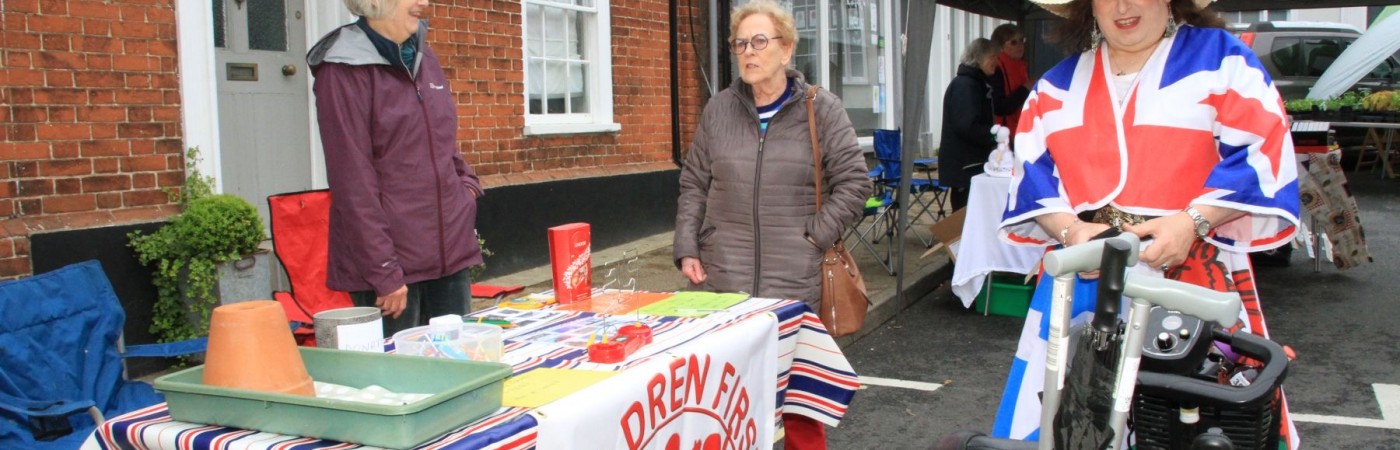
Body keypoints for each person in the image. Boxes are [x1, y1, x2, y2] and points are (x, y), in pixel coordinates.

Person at [993, 0, 1301, 448]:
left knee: (1195, 424)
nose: (1122, 6)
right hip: (1081, 282)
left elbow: (1262, 152)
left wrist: (1194, 221)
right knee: (1063, 422)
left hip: (1190, 272)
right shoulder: (1056, 85)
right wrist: (1070, 231)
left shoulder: (1222, 61)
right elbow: (1032, 180)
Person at [672, 1, 870, 448]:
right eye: (740, 43)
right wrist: (689, 245)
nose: (748, 52)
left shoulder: (823, 110)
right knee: (724, 403)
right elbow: (694, 183)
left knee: (801, 407)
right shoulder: (718, 110)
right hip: (724, 278)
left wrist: (813, 239)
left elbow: (855, 183)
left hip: (794, 281)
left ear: (786, 49)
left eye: (760, 41)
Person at [308, 0, 484, 335]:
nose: (424, 3)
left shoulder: (423, 57)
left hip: (449, 255)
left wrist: (467, 186)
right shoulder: (343, 70)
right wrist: (384, 271)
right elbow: (351, 180)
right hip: (393, 272)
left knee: (457, 368)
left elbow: (441, 138)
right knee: (401, 382)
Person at [938, 38, 1000, 211]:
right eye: (992, 57)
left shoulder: (976, 83)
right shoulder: (966, 85)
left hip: (969, 165)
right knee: (965, 217)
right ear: (978, 58)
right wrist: (994, 134)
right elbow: (966, 125)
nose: (996, 62)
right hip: (965, 167)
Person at [989, 23, 1032, 138]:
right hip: (1004, 135)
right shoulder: (997, 67)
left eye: (1021, 40)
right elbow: (999, 107)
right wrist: (1025, 88)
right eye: (1013, 42)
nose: (1020, 45)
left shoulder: (1020, 66)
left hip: (1019, 130)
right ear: (1001, 47)